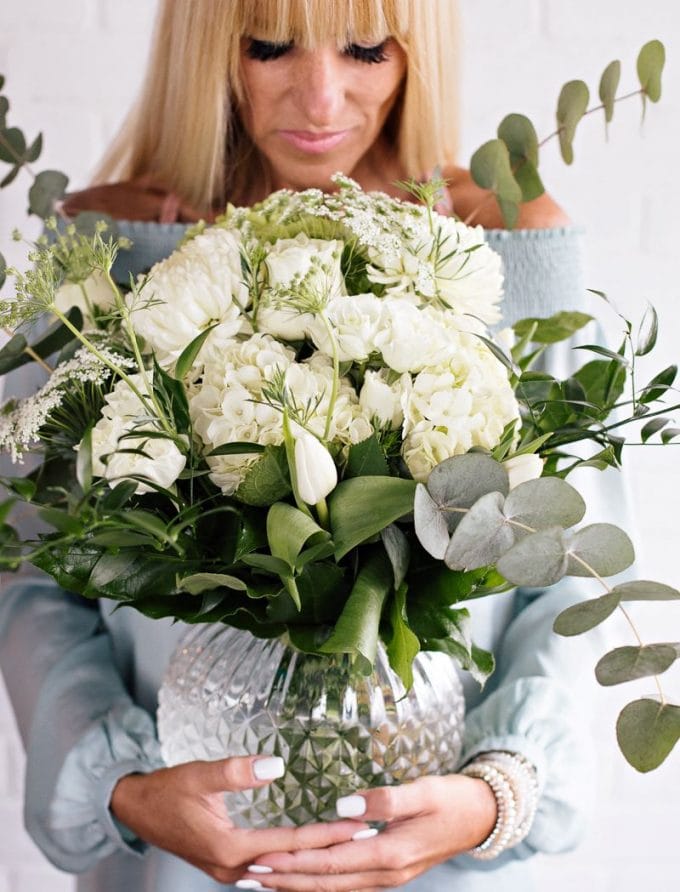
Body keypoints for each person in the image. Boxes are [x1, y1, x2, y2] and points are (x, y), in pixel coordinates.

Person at [0, 1, 618, 890]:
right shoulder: (110, 246)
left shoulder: (506, 242)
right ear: (209, 47)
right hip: (184, 858)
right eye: (270, 46)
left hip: (436, 851)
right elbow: (36, 569)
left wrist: (498, 793)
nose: (321, 99)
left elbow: (569, 577)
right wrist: (122, 788)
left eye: (366, 48)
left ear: (417, 52)